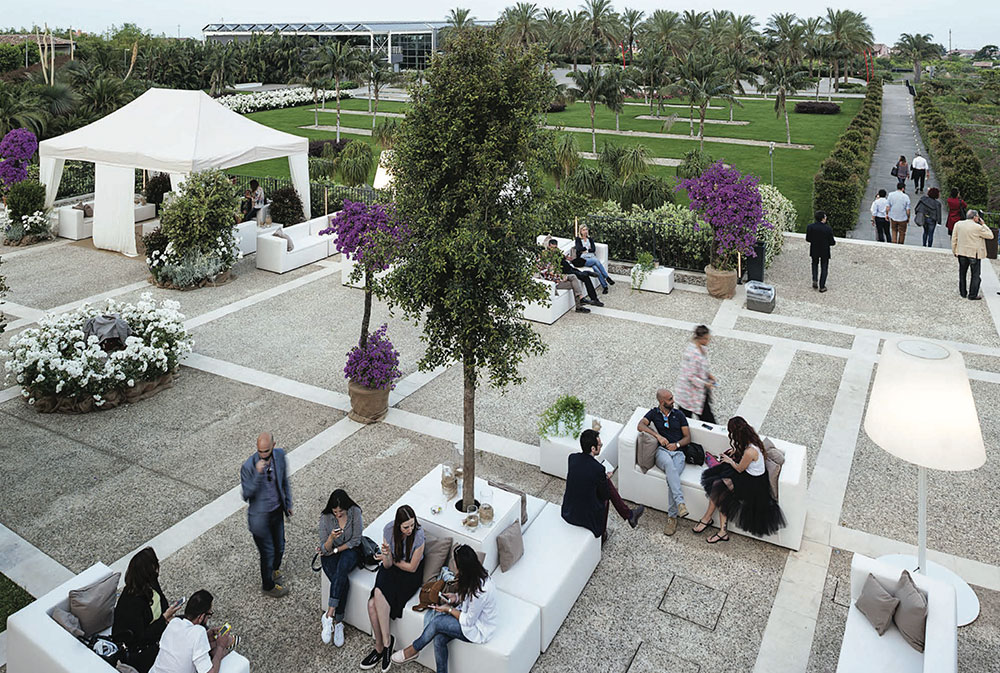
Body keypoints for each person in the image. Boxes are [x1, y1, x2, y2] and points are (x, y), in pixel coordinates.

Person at [390, 545, 497, 672]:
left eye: (455, 563)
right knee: (439, 638)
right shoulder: (474, 575)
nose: (454, 565)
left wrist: (449, 609)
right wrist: (455, 598)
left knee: (437, 622)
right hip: (467, 615)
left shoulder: (481, 591)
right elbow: (468, 599)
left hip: (478, 628)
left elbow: (469, 621)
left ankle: (414, 649)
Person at [692, 417, 786, 544]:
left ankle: (715, 526)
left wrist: (729, 460)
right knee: (718, 486)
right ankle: (713, 524)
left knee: (719, 489)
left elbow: (739, 468)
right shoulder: (751, 438)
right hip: (750, 476)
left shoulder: (750, 452)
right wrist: (736, 450)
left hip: (753, 483)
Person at [362, 505, 425, 672]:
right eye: (406, 527)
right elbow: (387, 565)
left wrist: (391, 558)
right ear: (398, 525)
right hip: (391, 569)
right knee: (372, 603)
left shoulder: (419, 535)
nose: (410, 529)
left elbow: (412, 567)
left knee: (375, 599)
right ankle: (382, 645)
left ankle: (384, 646)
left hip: (410, 575)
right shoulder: (388, 530)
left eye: (412, 524)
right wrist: (387, 556)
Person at [561, 429, 645, 541]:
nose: (601, 446)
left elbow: (583, 475)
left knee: (603, 483)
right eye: (600, 445)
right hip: (585, 519)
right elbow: (605, 495)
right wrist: (604, 479)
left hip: (569, 511)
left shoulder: (572, 458)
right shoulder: (598, 469)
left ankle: (629, 515)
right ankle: (604, 533)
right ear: (593, 448)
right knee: (606, 496)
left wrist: (602, 478)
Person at [239, 432, 293, 598]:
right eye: (260, 451)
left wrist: (288, 503)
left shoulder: (280, 455)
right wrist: (257, 474)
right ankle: (268, 585)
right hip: (260, 519)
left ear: (273, 445)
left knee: (280, 546)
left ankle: (273, 570)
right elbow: (246, 494)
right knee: (267, 552)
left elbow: (284, 481)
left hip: (277, 510)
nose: (263, 455)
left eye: (266, 451)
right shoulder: (248, 466)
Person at [113, 548, 180, 673]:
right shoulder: (132, 602)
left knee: (186, 623)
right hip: (137, 651)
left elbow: (162, 603)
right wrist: (164, 619)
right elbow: (141, 638)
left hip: (155, 631)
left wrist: (168, 617)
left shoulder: (151, 582)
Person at [637, 389, 691, 536]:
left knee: (671, 477)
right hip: (662, 452)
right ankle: (679, 504)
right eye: (670, 399)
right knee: (668, 466)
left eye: (672, 398)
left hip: (679, 453)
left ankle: (672, 516)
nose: (673, 401)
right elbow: (640, 425)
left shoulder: (679, 415)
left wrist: (677, 445)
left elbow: (688, 438)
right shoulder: (653, 413)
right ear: (662, 402)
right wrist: (658, 436)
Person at [318, 489, 363, 647]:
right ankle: (338, 622)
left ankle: (329, 614)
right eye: (335, 511)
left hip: (349, 551)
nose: (337, 514)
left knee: (343, 567)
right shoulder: (325, 518)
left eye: (341, 511)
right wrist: (331, 538)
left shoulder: (355, 512)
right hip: (330, 555)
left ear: (346, 508)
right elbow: (324, 549)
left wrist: (337, 549)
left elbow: (356, 540)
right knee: (343, 581)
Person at [149, 590, 234, 673]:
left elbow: (184, 647)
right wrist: (220, 646)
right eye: (209, 614)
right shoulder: (198, 632)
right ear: (201, 617)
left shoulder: (174, 623)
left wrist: (206, 636)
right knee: (222, 654)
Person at [539, 240, 603, 313]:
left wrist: (567, 258)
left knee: (582, 277)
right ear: (549, 246)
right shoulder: (546, 258)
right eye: (553, 248)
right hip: (562, 274)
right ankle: (580, 303)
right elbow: (549, 273)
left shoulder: (557, 252)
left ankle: (593, 299)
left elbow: (563, 259)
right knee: (579, 277)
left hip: (568, 269)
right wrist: (560, 277)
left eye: (555, 247)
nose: (554, 249)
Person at [675, 325, 716, 424]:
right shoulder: (693, 354)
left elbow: (699, 368)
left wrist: (708, 375)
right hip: (690, 393)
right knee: (705, 417)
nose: (708, 341)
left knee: (686, 417)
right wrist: (706, 384)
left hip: (695, 393)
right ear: (701, 338)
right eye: (707, 339)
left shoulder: (700, 349)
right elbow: (690, 376)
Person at [951, 209, 994, 301]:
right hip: (974, 254)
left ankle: (963, 292)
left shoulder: (958, 224)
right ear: (975, 217)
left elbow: (954, 238)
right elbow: (990, 235)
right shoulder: (978, 228)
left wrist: (954, 250)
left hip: (962, 252)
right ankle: (972, 294)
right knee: (975, 275)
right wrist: (983, 224)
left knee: (962, 273)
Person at [574, 226, 614, 293]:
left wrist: (585, 249)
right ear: (580, 231)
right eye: (583, 230)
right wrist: (587, 248)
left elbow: (593, 249)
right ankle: (607, 277)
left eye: (586, 229)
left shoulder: (590, 239)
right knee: (596, 261)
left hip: (591, 256)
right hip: (583, 259)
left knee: (596, 268)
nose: (585, 231)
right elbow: (578, 248)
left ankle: (605, 286)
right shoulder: (578, 239)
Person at [806, 211, 835, 292]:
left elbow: (808, 239)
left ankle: (815, 279)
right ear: (823, 218)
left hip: (814, 249)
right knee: (824, 267)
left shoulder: (810, 227)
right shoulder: (828, 228)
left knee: (814, 264)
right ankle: (822, 286)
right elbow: (832, 242)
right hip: (824, 250)